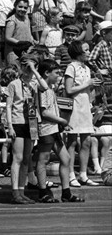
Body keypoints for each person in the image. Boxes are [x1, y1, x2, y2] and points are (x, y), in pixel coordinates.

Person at [36, 59, 84, 203]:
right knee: (43, 160)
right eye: (56, 73)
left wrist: (61, 124)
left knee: (66, 158)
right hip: (46, 128)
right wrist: (61, 120)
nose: (58, 76)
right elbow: (44, 112)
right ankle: (43, 191)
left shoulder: (50, 89)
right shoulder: (42, 88)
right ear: (46, 73)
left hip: (54, 128)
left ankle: (66, 192)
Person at [6, 53, 48, 204]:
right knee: (17, 157)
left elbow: (46, 87)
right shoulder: (14, 84)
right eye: (25, 66)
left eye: (31, 66)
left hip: (31, 122)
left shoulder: (35, 84)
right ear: (21, 67)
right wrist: (9, 126)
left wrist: (35, 72)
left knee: (26, 159)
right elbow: (9, 106)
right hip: (18, 121)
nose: (28, 69)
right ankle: (15, 192)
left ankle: (22, 191)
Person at [65, 41, 99, 187]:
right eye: (86, 50)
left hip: (85, 107)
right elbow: (69, 89)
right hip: (74, 108)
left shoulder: (87, 68)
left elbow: (88, 90)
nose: (88, 52)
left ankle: (83, 174)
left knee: (86, 141)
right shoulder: (71, 67)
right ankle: (71, 174)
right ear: (78, 51)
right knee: (72, 141)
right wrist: (88, 84)